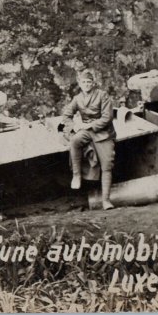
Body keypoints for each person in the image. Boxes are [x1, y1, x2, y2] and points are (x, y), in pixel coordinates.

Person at [60, 69, 116, 210]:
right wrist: (74, 126)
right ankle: (76, 175)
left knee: (107, 164)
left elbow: (107, 117)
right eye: (84, 82)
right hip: (86, 132)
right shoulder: (77, 98)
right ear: (80, 84)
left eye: (89, 82)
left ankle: (106, 201)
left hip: (103, 133)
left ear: (93, 83)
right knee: (75, 141)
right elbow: (66, 116)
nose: (86, 84)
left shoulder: (102, 95)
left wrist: (89, 125)